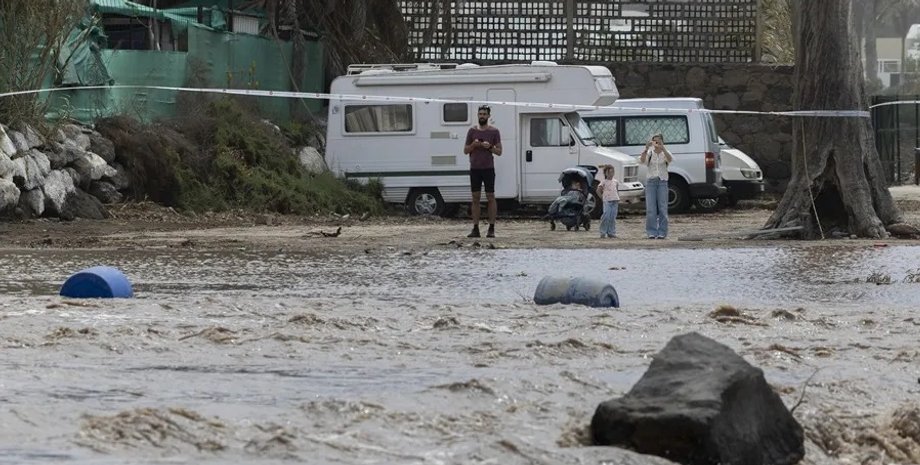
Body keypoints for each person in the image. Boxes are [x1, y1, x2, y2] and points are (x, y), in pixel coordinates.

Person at [463, 105, 503, 238]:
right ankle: (475, 228)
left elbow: (499, 152)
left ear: (489, 116)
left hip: (488, 169)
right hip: (475, 169)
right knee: (475, 198)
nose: (482, 116)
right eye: (480, 114)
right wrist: (474, 145)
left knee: (491, 197)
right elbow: (465, 150)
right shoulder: (472, 131)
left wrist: (490, 147)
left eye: (484, 114)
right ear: (477, 115)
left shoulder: (494, 131)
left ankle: (491, 228)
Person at [639, 133, 673, 239]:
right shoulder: (649, 153)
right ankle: (651, 232)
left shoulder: (665, 153)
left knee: (663, 208)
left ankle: (662, 231)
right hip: (651, 182)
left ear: (662, 141)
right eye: (655, 141)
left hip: (662, 182)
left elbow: (670, 159)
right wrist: (646, 148)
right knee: (651, 208)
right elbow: (641, 160)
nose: (656, 143)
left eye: (659, 141)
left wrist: (663, 148)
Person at [596, 165, 619, 238]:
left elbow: (616, 190)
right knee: (606, 215)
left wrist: (617, 197)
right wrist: (602, 197)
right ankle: (603, 232)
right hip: (607, 201)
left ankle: (611, 232)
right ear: (605, 173)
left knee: (612, 217)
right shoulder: (603, 182)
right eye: (608, 172)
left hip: (615, 200)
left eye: (612, 172)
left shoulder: (615, 181)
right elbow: (598, 190)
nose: (610, 174)